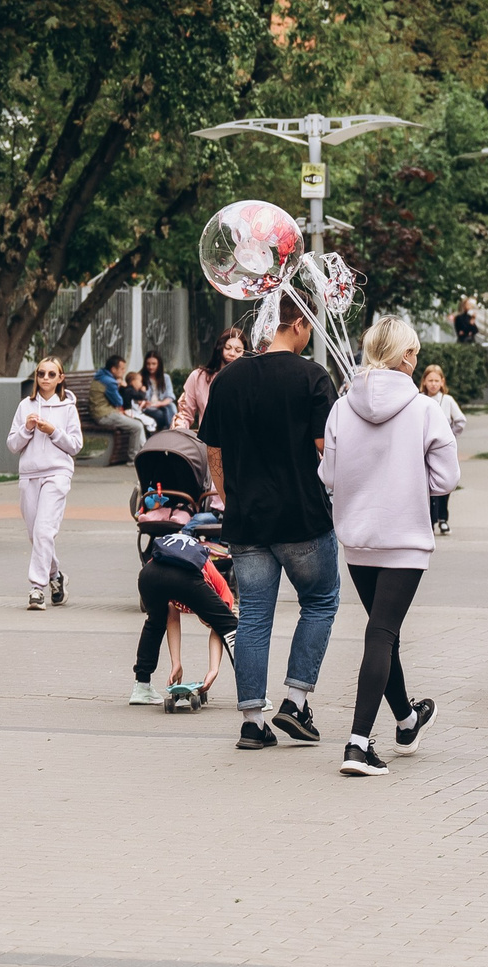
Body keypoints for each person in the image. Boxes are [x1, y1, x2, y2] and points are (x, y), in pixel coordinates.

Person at [319, 315, 460, 775]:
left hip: (358, 539)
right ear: (405, 357)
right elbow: (447, 479)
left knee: (384, 631)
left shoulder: (342, 407)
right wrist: (409, 480)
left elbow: (328, 475)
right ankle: (357, 744)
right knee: (381, 633)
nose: (417, 359)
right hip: (405, 539)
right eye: (415, 352)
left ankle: (406, 720)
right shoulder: (425, 409)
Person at [199, 306, 340, 750]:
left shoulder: (228, 379)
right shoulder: (313, 377)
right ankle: (295, 701)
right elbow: (326, 448)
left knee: (255, 616)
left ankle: (252, 722)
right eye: (309, 326)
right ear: (297, 324)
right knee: (320, 601)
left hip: (247, 520)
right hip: (303, 517)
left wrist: (231, 500)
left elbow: (213, 452)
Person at [129, 529, 238, 707]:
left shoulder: (191, 589)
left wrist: (176, 663)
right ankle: (251, 693)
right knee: (231, 626)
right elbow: (222, 628)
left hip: (148, 574)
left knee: (155, 622)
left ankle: (142, 686)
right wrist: (213, 670)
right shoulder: (222, 591)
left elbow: (171, 618)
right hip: (182, 576)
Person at [6, 356, 82, 609]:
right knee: (35, 535)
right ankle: (55, 575)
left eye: (51, 374)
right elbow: (12, 445)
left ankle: (36, 588)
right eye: (41, 373)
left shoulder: (68, 408)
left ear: (60, 378)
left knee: (43, 531)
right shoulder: (25, 406)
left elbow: (75, 446)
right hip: (29, 475)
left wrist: (53, 431)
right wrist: (27, 429)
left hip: (58, 473)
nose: (45, 378)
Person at [420, 361, 466, 533]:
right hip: (425, 450)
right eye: (430, 380)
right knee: (426, 485)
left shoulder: (447, 400)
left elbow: (460, 420)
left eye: (436, 381)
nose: (433, 384)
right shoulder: (420, 399)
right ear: (424, 382)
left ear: (442, 382)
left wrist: (450, 436)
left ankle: (443, 518)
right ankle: (430, 519)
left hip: (442, 450)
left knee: (443, 483)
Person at [82, 349, 144, 467]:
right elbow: (118, 402)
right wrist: (120, 386)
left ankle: (143, 454)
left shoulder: (101, 376)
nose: (124, 371)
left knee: (137, 423)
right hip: (105, 415)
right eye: (122, 369)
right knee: (137, 426)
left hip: (101, 413)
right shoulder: (110, 382)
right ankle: (133, 459)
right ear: (113, 369)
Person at [175, 329, 244, 432]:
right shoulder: (198, 377)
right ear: (219, 348)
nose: (232, 353)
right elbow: (184, 414)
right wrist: (179, 432)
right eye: (228, 348)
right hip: (207, 440)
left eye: (238, 350)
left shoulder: (248, 380)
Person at [139, 351, 177, 430]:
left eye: (154, 364)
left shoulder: (165, 377)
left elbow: (170, 396)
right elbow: (136, 396)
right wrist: (144, 402)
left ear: (159, 364)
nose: (150, 367)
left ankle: (171, 430)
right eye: (148, 364)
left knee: (171, 406)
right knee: (163, 415)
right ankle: (172, 431)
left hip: (162, 405)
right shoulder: (140, 377)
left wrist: (159, 404)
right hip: (148, 408)